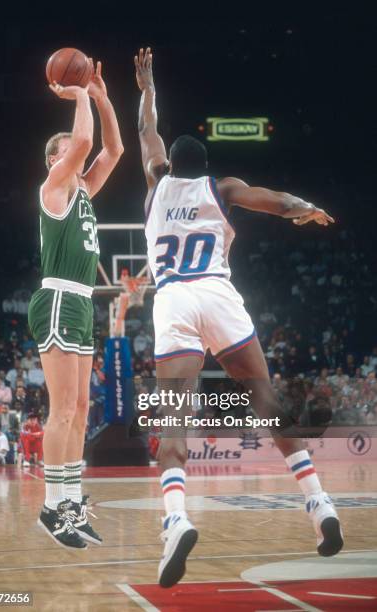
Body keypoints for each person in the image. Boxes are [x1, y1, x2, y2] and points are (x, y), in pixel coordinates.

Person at [134, 47, 343, 587]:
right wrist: (306, 209)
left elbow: (147, 130)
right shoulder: (222, 189)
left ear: (167, 166)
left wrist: (148, 85)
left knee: (173, 423)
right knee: (264, 398)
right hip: (218, 296)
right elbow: (273, 200)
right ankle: (319, 506)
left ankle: (176, 519)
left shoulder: (155, 185)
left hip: (174, 300)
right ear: (207, 168)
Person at [28, 59, 123, 548]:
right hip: (60, 297)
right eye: (68, 152)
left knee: (83, 409)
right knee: (62, 410)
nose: (78, 156)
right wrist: (79, 94)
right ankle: (51, 506)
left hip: (83, 303)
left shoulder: (83, 188)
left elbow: (113, 148)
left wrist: (103, 96)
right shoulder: (54, 189)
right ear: (55, 160)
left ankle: (71, 502)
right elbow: (84, 143)